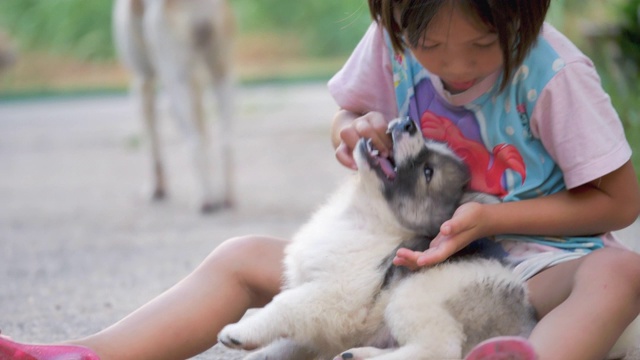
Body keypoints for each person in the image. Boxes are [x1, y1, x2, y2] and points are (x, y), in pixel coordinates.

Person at [1, 1, 639, 359]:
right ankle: (88, 356)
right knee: (238, 257)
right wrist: (351, 127)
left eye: (480, 45)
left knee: (622, 273)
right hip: (399, 267)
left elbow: (621, 201)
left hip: (527, 268)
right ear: (394, 15)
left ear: (522, 13)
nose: (454, 65)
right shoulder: (391, 40)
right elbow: (349, 110)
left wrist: (496, 218)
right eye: (430, 47)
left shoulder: (553, 73)